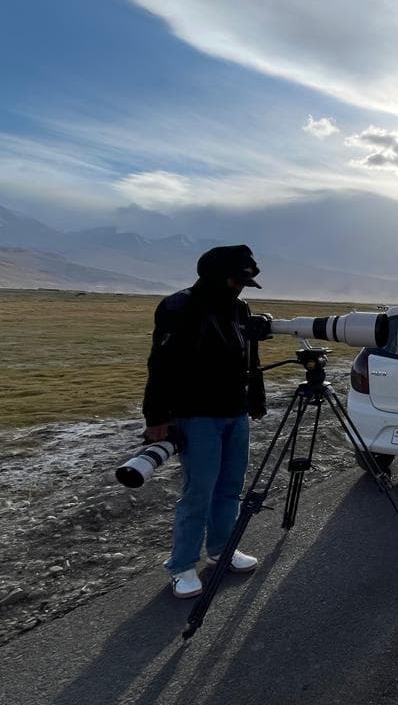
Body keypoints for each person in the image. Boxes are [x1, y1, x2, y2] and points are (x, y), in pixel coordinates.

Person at [142, 245, 268, 598]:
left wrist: (254, 399)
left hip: (234, 413)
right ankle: (182, 566)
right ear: (218, 277)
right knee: (198, 492)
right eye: (236, 280)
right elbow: (160, 365)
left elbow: (248, 359)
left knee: (230, 486)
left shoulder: (240, 308)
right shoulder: (178, 307)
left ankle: (221, 550)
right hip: (196, 416)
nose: (241, 287)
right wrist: (156, 417)